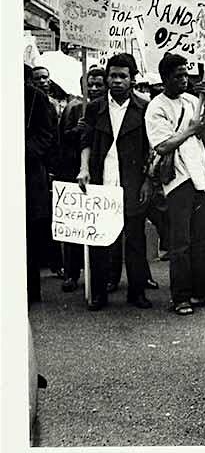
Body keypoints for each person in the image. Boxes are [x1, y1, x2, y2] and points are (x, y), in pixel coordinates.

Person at [145, 53, 205, 316]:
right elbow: (162, 144)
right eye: (178, 75)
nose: (183, 80)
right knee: (181, 241)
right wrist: (189, 129)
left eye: (185, 74)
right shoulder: (156, 107)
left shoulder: (193, 100)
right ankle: (180, 297)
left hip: (200, 176)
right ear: (165, 78)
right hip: (179, 179)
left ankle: (203, 292)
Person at [77, 53, 153, 310]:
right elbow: (85, 140)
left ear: (133, 79)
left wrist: (147, 181)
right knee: (100, 239)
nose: (117, 80)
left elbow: (150, 149)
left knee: (135, 240)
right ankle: (98, 293)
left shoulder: (144, 108)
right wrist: (84, 169)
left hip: (132, 183)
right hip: (101, 181)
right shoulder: (95, 107)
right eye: (113, 75)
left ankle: (137, 292)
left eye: (123, 76)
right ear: (106, 77)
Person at [58, 67, 108, 293]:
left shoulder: (106, 108)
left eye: (99, 84)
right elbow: (60, 140)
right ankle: (71, 273)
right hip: (74, 172)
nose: (95, 89)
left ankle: (103, 276)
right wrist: (75, 131)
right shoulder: (75, 108)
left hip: (100, 171)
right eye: (91, 85)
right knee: (74, 226)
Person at [24, 64, 57, 304]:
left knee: (28, 236)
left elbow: (47, 135)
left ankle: (30, 290)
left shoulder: (36, 98)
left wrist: (22, 152)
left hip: (29, 172)